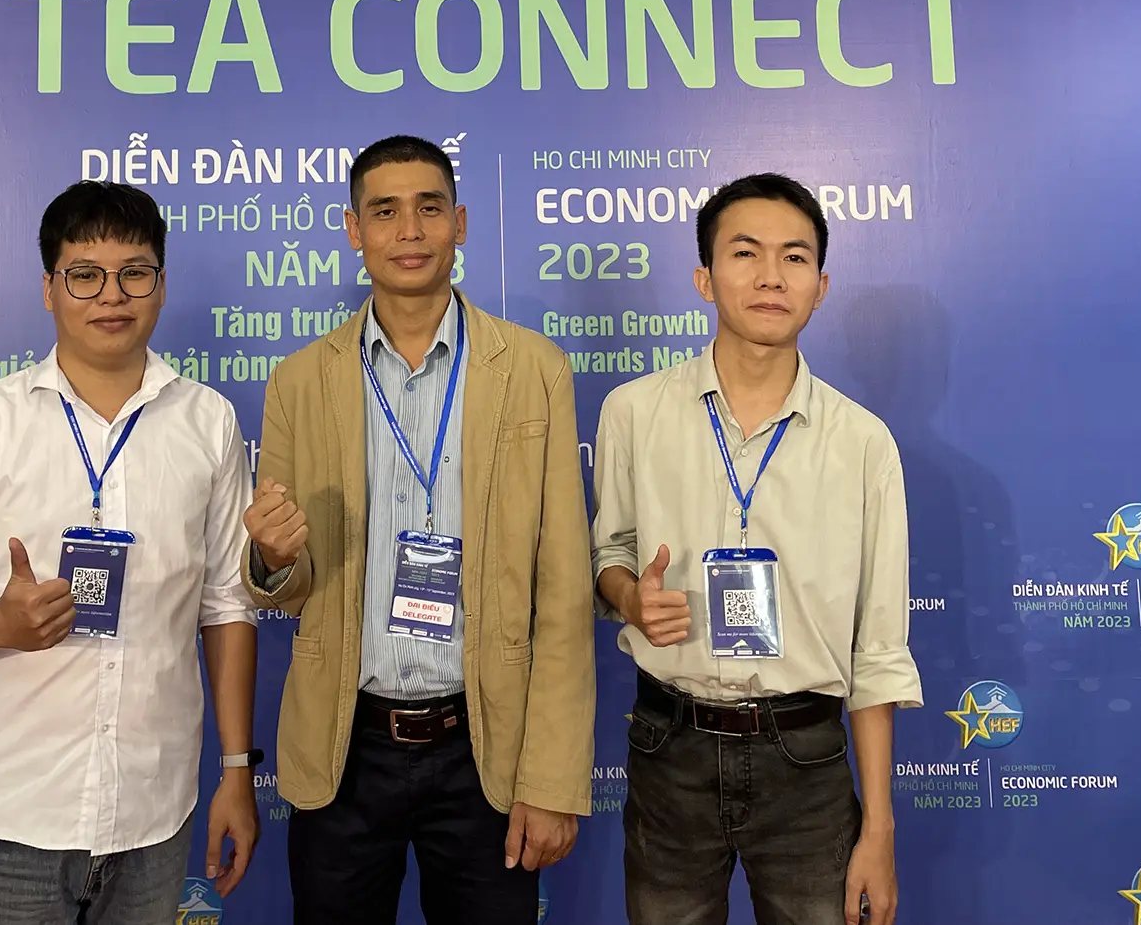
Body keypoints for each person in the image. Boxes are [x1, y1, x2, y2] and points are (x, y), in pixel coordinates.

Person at [244, 135, 595, 925]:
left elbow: (565, 590)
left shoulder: (534, 369)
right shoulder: (300, 380)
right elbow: (289, 587)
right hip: (346, 745)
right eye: (385, 211)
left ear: (460, 223)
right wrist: (272, 556)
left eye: (429, 207)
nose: (409, 230)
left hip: (486, 745)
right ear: (353, 229)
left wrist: (551, 777)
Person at [0, 181, 260, 925]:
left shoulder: (209, 422)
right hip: (13, 818)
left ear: (161, 284)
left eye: (134, 272)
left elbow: (227, 603)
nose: (111, 295)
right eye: (85, 274)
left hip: (155, 815)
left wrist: (235, 770)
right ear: (49, 289)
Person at [592, 173, 920, 925]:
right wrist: (628, 596)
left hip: (807, 758)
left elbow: (878, 648)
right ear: (705, 278)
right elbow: (609, 553)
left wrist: (879, 828)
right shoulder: (633, 412)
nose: (772, 276)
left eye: (794, 257)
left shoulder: (863, 443)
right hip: (669, 745)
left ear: (821, 286)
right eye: (746, 253)